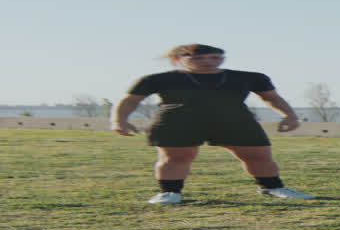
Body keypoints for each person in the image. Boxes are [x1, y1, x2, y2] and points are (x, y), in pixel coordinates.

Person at [110, 43, 316, 204]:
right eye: (199, 58)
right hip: (178, 121)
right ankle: (170, 193)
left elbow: (272, 98)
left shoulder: (250, 77)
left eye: (215, 57)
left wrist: (289, 116)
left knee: (258, 154)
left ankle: (272, 188)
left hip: (234, 120)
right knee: (175, 158)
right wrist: (119, 120)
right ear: (177, 59)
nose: (208, 62)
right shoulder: (157, 79)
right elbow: (130, 100)